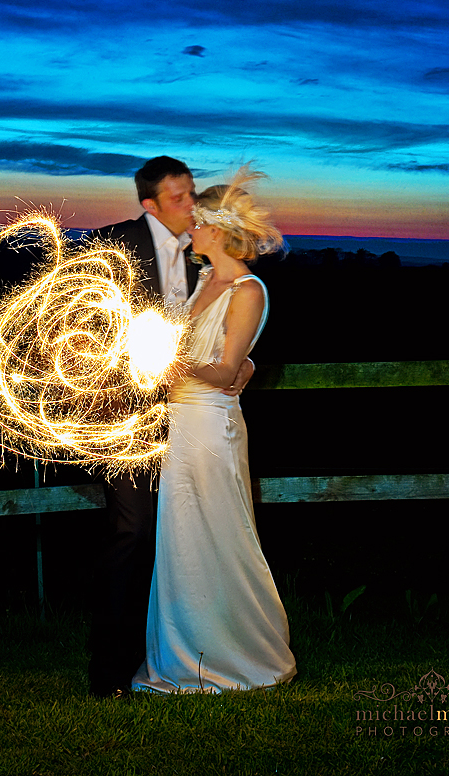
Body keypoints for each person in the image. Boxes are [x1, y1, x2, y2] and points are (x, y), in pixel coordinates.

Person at [87, 156, 255, 698]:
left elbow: (240, 316)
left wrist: (248, 363)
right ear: (149, 204)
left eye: (191, 194)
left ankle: (186, 651)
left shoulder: (208, 262)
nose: (191, 205)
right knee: (133, 532)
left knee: (184, 537)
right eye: (178, 198)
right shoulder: (108, 243)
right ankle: (112, 672)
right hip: (129, 419)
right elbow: (79, 322)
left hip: (193, 418)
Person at [131, 169, 296, 694]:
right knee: (183, 538)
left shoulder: (248, 290)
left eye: (198, 222)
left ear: (219, 231)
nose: (191, 230)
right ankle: (187, 651)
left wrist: (165, 363)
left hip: (210, 423)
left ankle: (242, 654)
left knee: (218, 532)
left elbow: (227, 372)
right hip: (179, 424)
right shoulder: (205, 280)